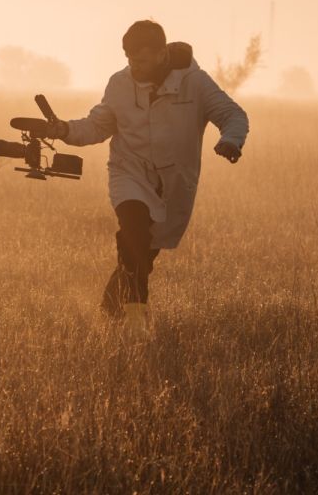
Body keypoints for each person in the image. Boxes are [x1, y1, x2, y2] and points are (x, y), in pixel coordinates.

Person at [41, 20, 248, 336]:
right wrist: (65, 130)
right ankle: (137, 322)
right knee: (133, 233)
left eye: (142, 60)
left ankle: (109, 310)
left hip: (173, 184)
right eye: (129, 59)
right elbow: (98, 126)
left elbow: (233, 115)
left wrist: (231, 140)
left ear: (162, 53)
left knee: (140, 255)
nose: (134, 67)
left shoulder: (196, 82)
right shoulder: (119, 83)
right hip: (129, 172)